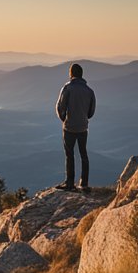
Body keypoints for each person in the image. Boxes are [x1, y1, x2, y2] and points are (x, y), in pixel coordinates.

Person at [54, 63, 96, 191]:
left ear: (71, 74)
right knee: (84, 154)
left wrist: (64, 119)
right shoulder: (89, 91)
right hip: (83, 127)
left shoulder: (67, 88)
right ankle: (84, 183)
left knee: (69, 154)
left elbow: (60, 107)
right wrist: (84, 119)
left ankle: (70, 182)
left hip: (69, 127)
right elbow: (91, 111)